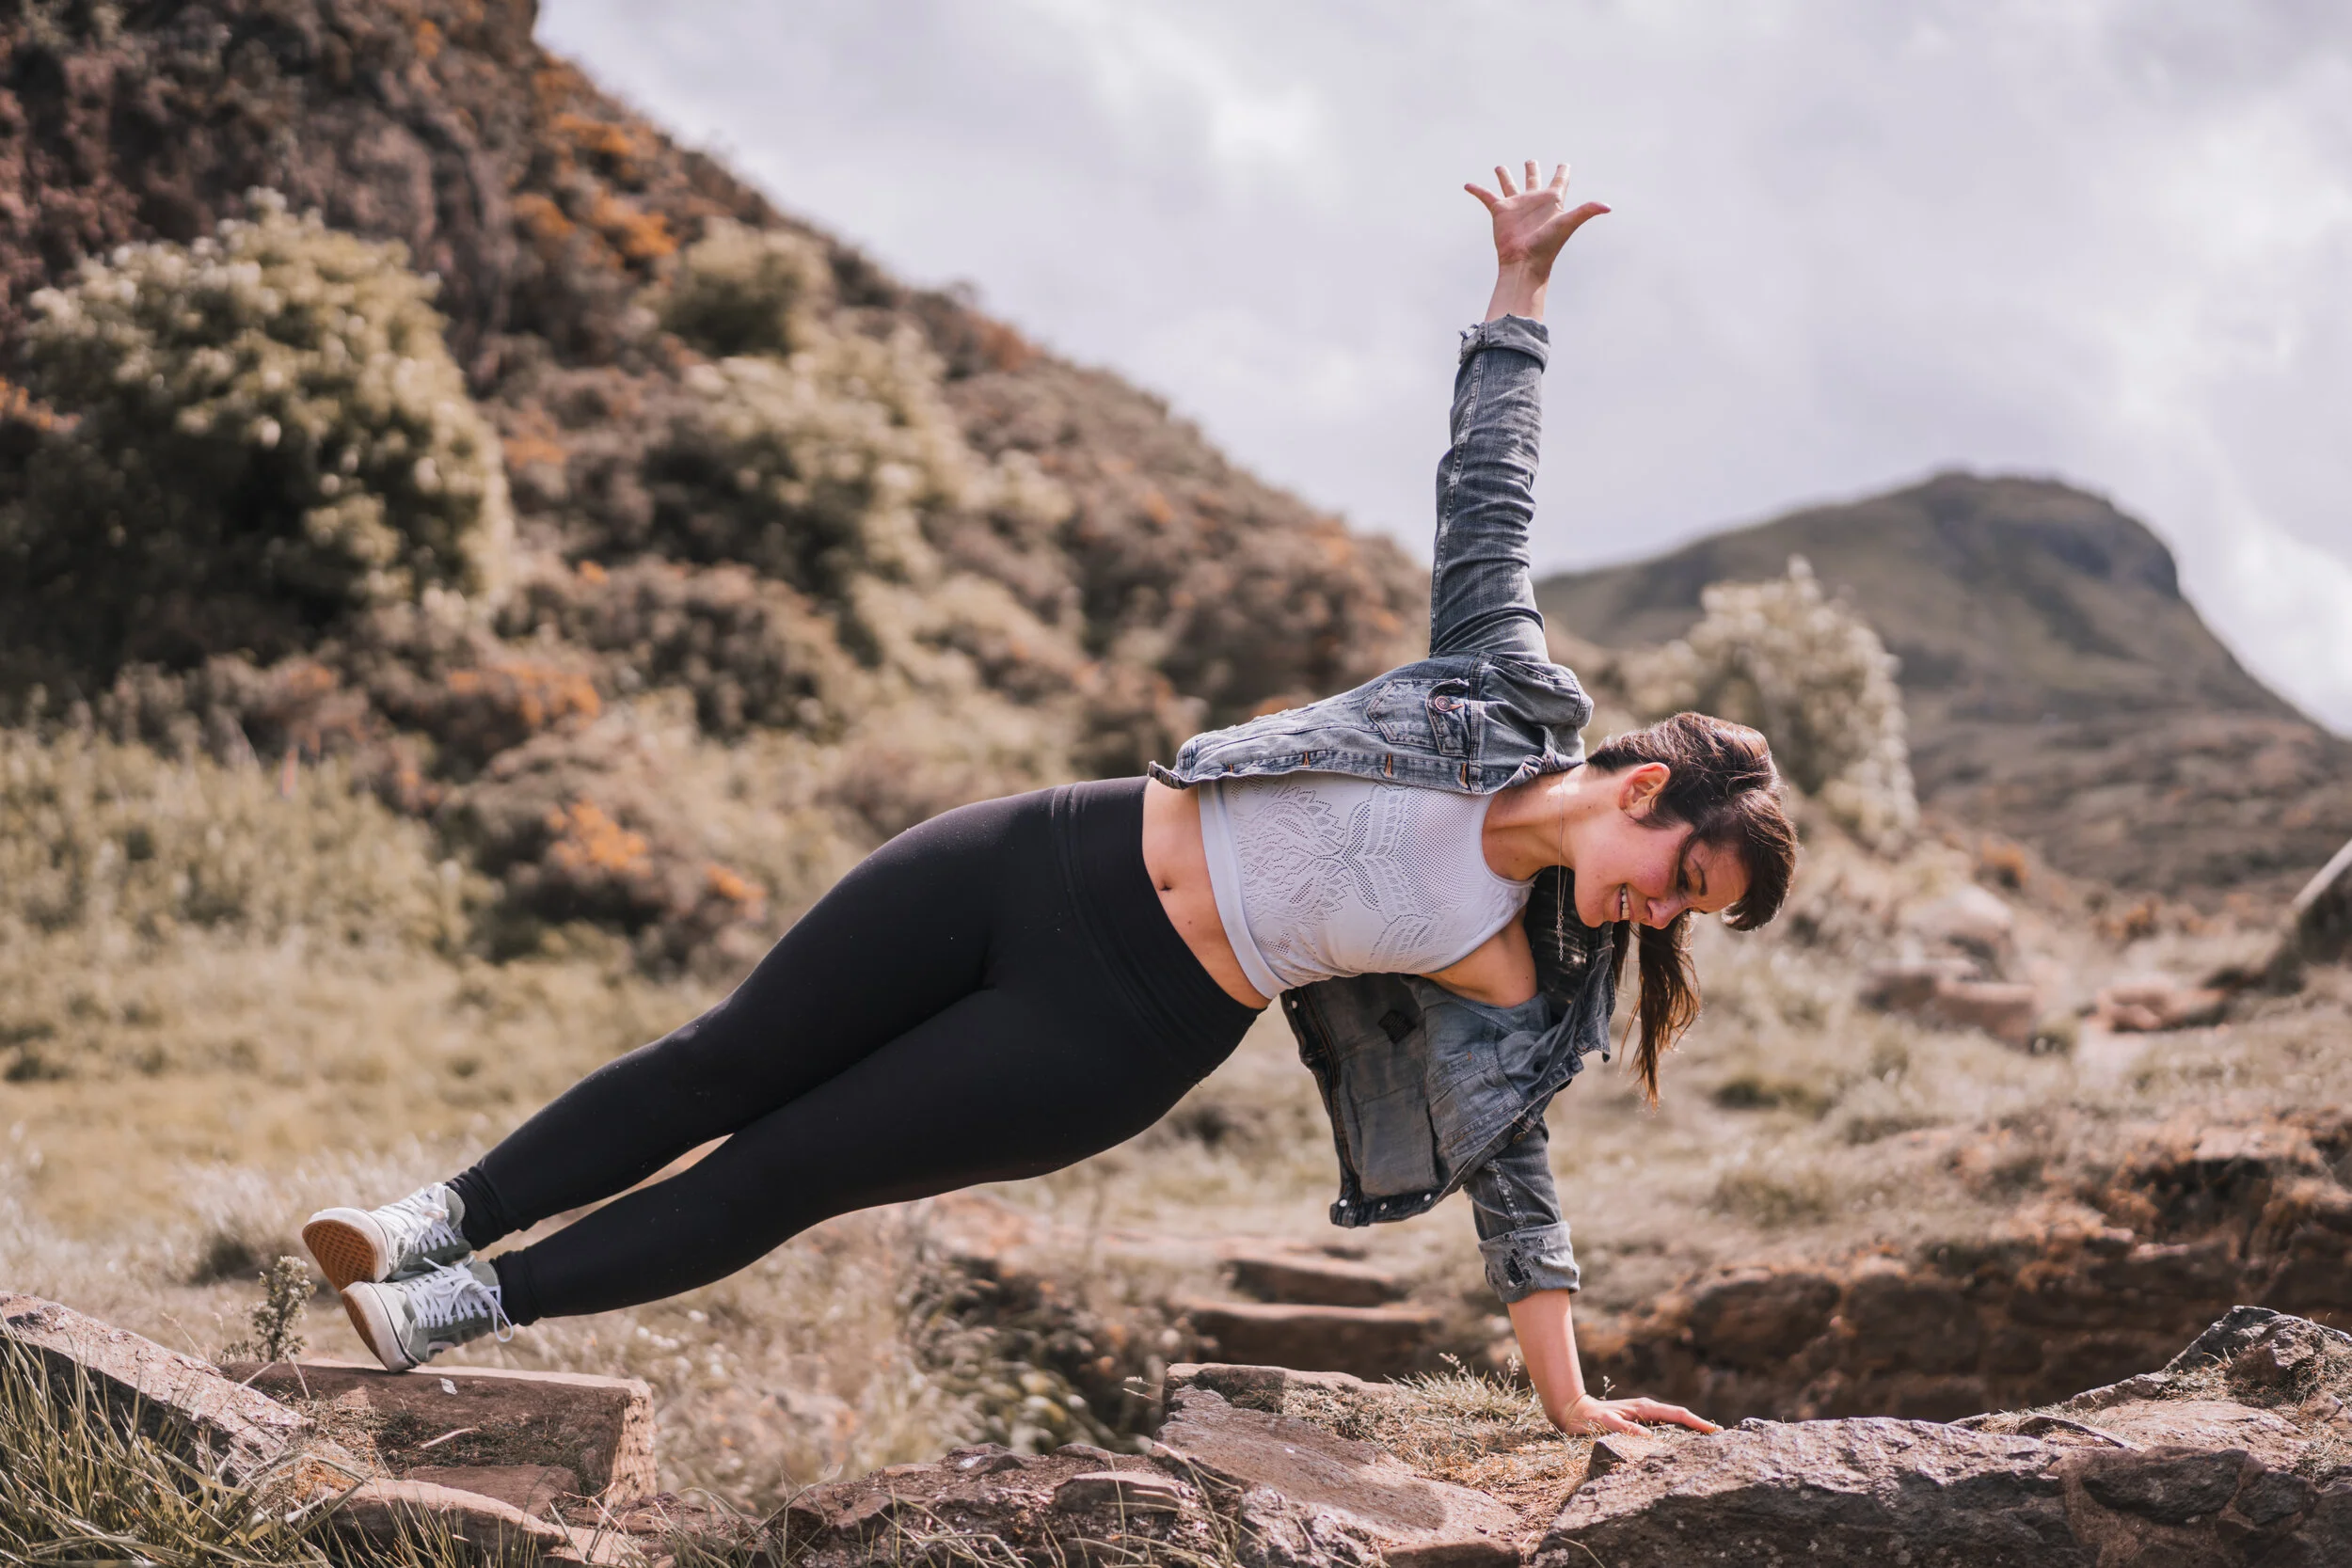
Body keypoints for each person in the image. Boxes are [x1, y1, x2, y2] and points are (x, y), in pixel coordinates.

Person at [304, 160, 1797, 1441]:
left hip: (1114, 1033)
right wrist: (1518, 289)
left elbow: (1511, 1167)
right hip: (1047, 849)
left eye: (1689, 918)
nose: (1662, 915)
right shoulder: (1500, 687)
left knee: (790, 1169)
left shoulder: (1529, 967)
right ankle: (430, 1215)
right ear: (1645, 786)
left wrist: (1569, 1396)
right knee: (723, 1060)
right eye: (1682, 880)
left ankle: (453, 1307)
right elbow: (1493, 491)